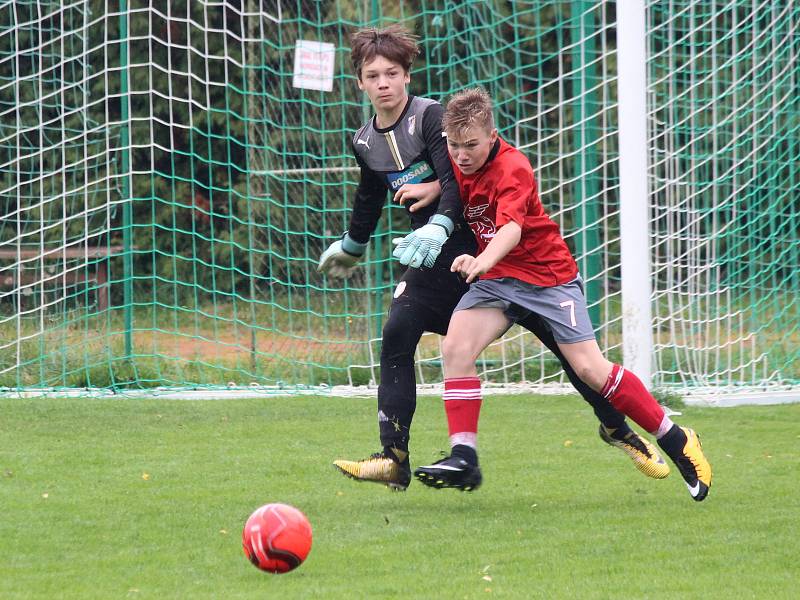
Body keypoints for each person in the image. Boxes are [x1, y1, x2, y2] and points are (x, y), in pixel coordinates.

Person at [317, 25, 668, 491]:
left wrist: (442, 223)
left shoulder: (432, 119)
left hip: (487, 257)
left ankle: (616, 428)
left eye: (392, 73)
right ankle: (394, 456)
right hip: (432, 264)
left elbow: (454, 180)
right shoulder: (364, 141)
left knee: (572, 357)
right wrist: (353, 244)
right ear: (359, 82)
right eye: (372, 75)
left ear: (407, 76)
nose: (383, 82)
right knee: (397, 331)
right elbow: (369, 195)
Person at [413, 87, 712, 501]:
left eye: (471, 146)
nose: (461, 155)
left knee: (592, 371)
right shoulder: (457, 158)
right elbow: (453, 185)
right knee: (455, 348)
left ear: (492, 134)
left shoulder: (512, 166)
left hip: (546, 277)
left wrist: (482, 261)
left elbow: (512, 229)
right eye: (454, 145)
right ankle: (464, 456)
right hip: (499, 279)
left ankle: (676, 438)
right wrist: (434, 191)